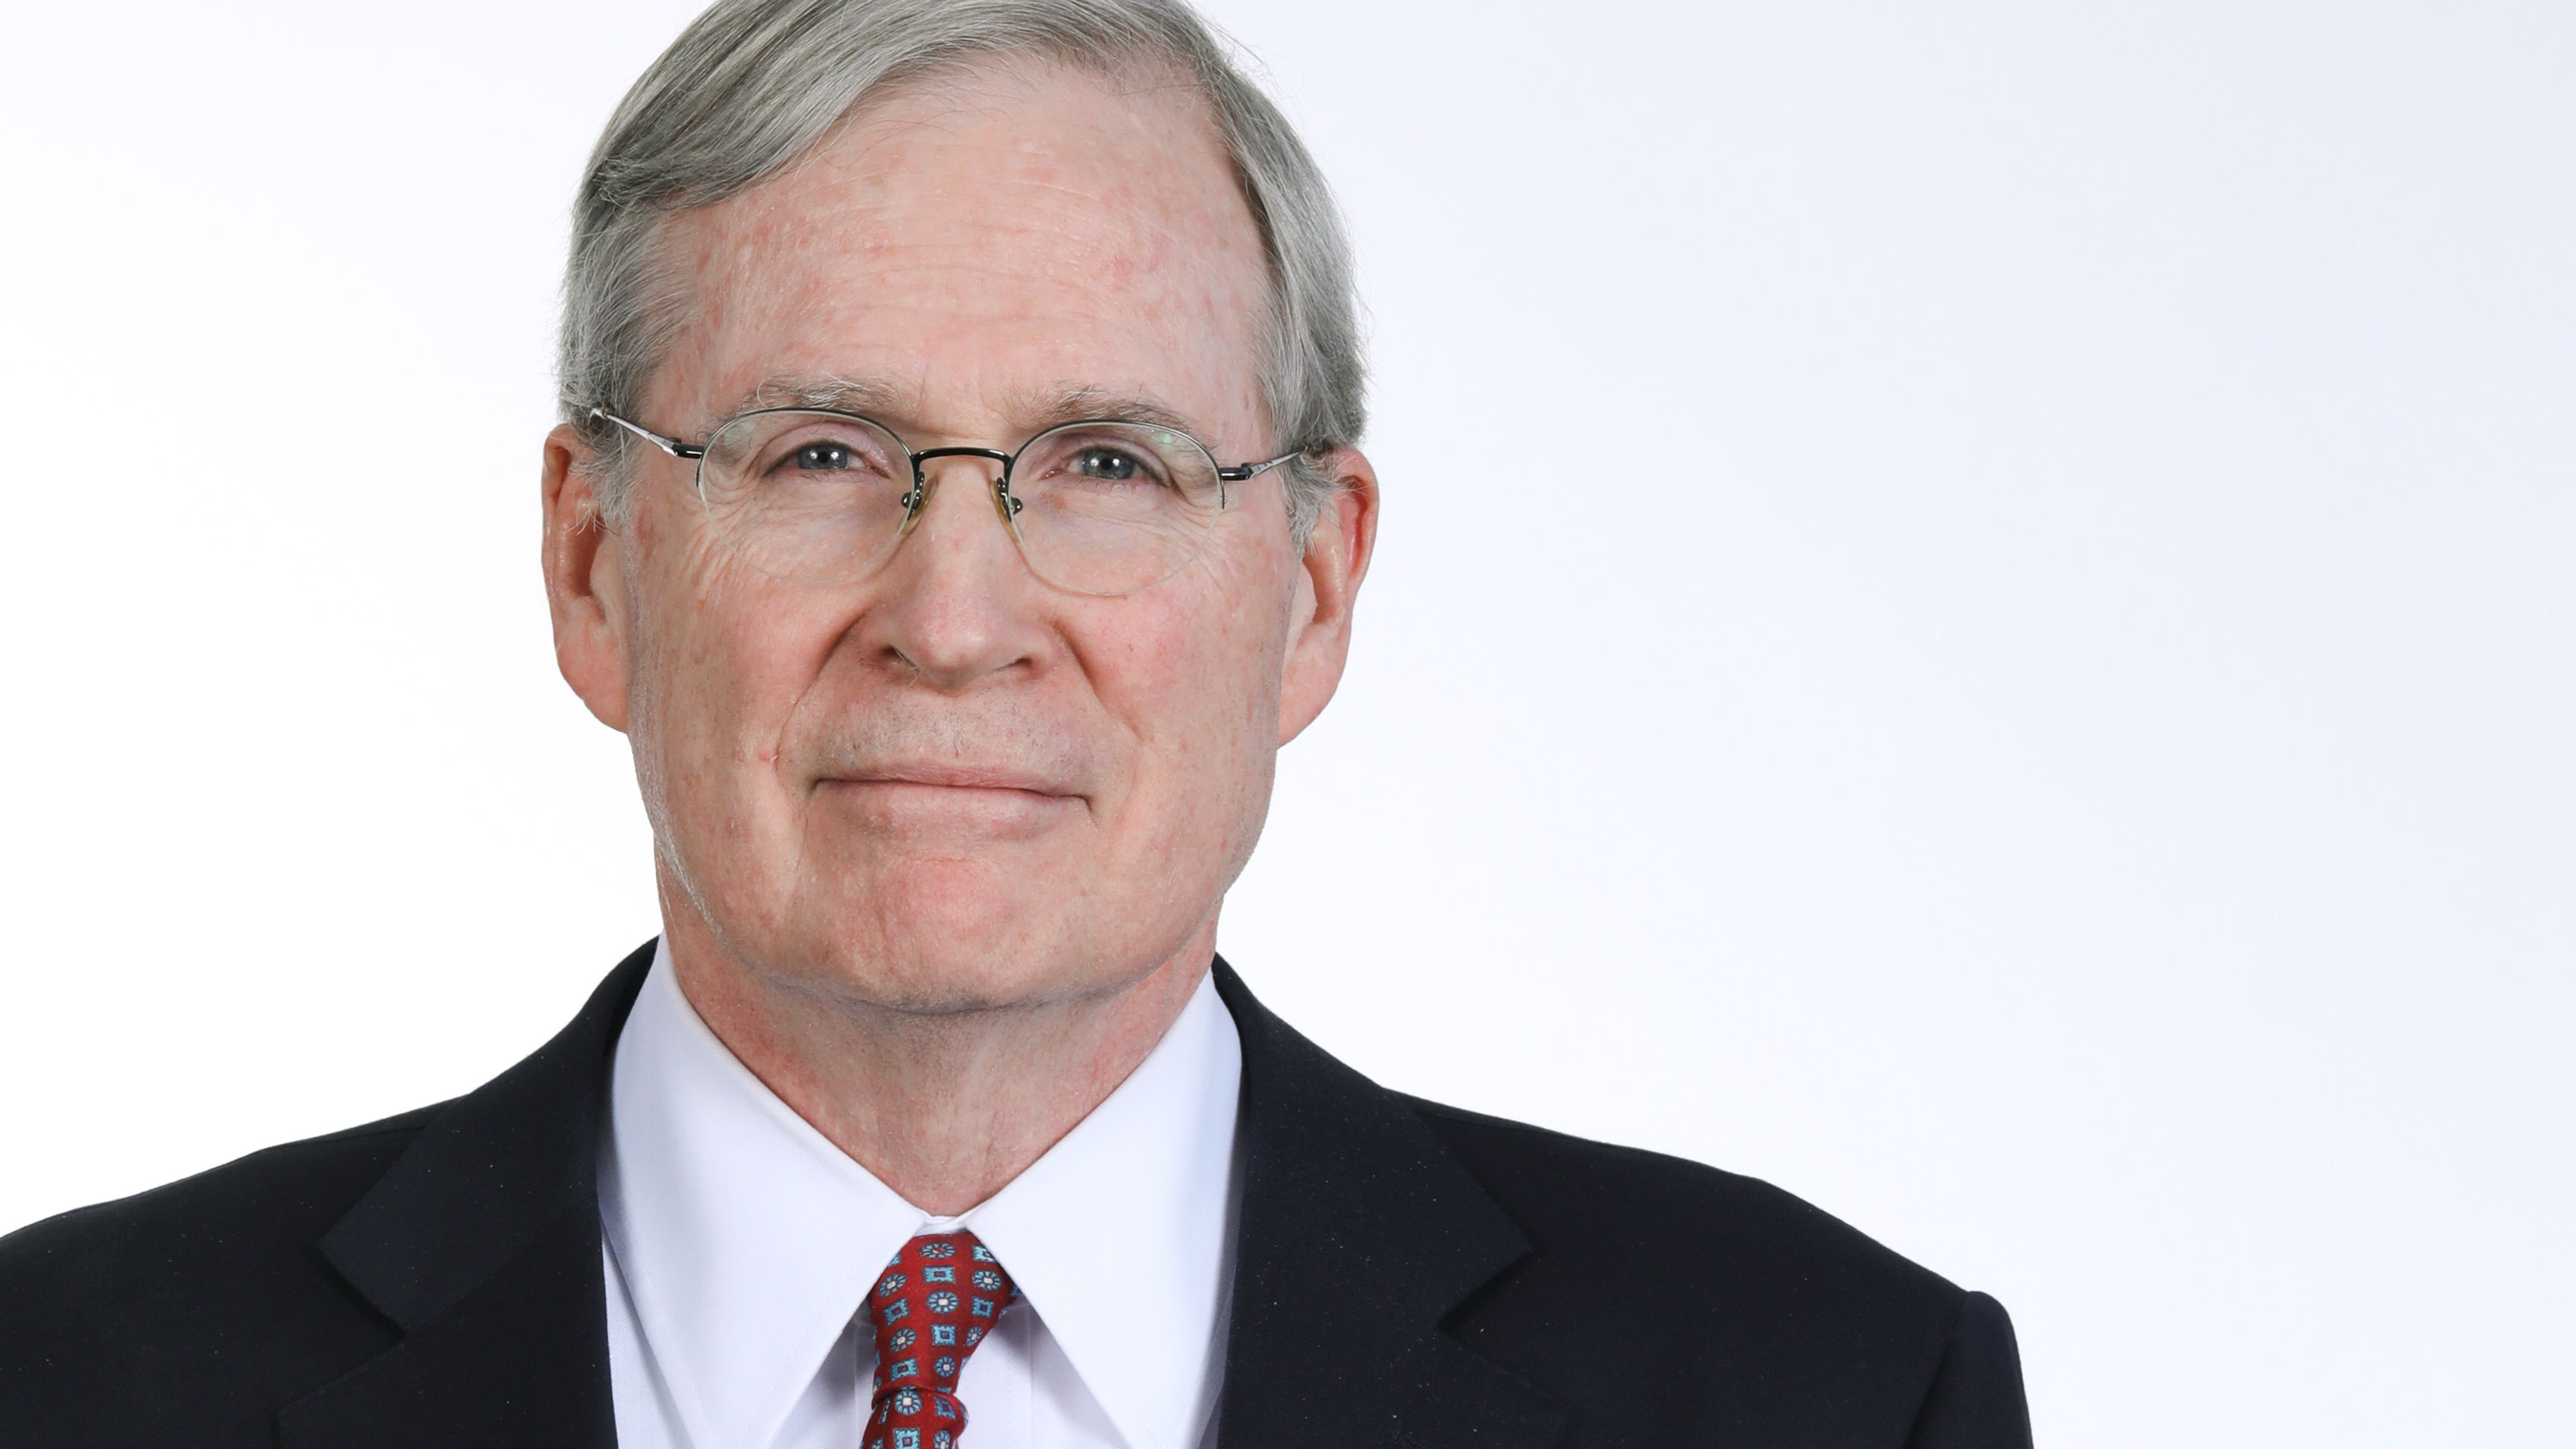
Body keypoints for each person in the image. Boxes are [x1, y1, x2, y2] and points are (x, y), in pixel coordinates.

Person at [0, 2, 2032, 1445]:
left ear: (1314, 587)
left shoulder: (1831, 1397)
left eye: (1109, 465)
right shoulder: (65, 1383)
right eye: (816, 453)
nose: (956, 622)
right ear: (594, 563)